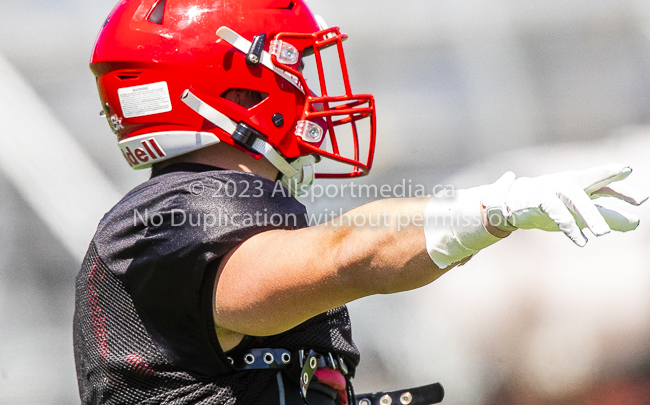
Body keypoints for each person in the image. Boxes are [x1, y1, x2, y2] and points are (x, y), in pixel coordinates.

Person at [73, 0, 648, 404]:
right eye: (293, 64)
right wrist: (491, 211)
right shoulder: (169, 220)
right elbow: (345, 256)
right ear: (237, 87)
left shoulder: (205, 209)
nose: (310, 88)